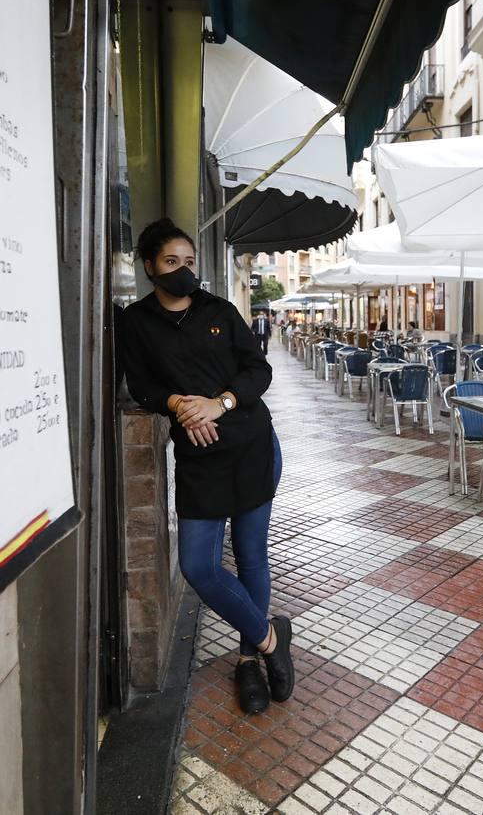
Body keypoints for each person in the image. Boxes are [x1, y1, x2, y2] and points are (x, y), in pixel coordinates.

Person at [122, 218, 294, 715]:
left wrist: (219, 403)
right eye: (171, 262)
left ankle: (247, 660)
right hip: (198, 457)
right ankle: (269, 638)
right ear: (150, 266)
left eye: (190, 262)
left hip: (250, 445)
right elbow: (142, 387)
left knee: (250, 555)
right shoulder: (136, 322)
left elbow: (257, 370)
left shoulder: (219, 310)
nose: (183, 271)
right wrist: (179, 404)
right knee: (198, 565)